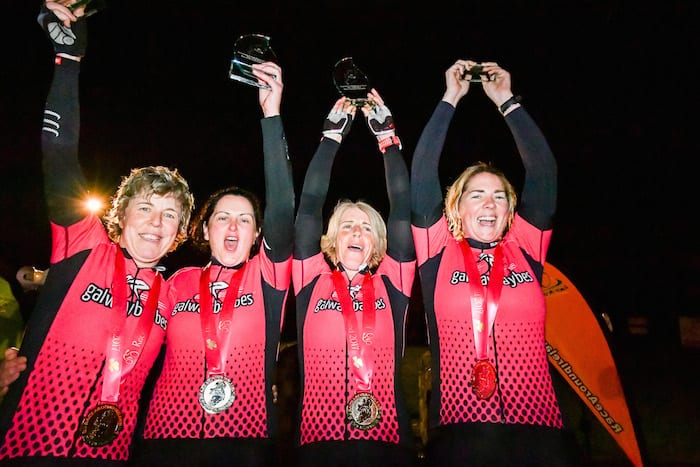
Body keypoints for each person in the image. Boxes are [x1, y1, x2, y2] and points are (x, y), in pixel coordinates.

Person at [0, 2, 194, 465]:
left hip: (110, 454)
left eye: (170, 215)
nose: (155, 221)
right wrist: (69, 63)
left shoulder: (172, 296)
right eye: (145, 207)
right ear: (120, 217)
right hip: (27, 446)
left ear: (180, 233)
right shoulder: (84, 246)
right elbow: (59, 155)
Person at [410, 59, 580, 466]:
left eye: (500, 195)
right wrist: (450, 97)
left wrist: (507, 101)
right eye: (476, 194)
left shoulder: (526, 245)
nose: (489, 202)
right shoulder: (436, 249)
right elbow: (420, 174)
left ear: (510, 211)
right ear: (457, 208)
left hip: (539, 430)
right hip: (459, 430)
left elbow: (543, 171)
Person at [130, 61, 294, 467]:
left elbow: (283, 204)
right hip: (166, 439)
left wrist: (271, 115)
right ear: (205, 231)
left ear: (258, 235)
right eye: (223, 217)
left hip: (246, 440)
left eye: (245, 219)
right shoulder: (175, 283)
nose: (233, 225)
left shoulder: (268, 276)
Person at [292, 90, 417, 467]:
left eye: (366, 228)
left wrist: (387, 140)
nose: (357, 234)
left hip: (389, 440)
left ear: (380, 243)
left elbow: (401, 208)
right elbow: (310, 205)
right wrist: (331, 138)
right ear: (331, 239)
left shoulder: (392, 282)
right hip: (317, 441)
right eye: (347, 226)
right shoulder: (310, 278)